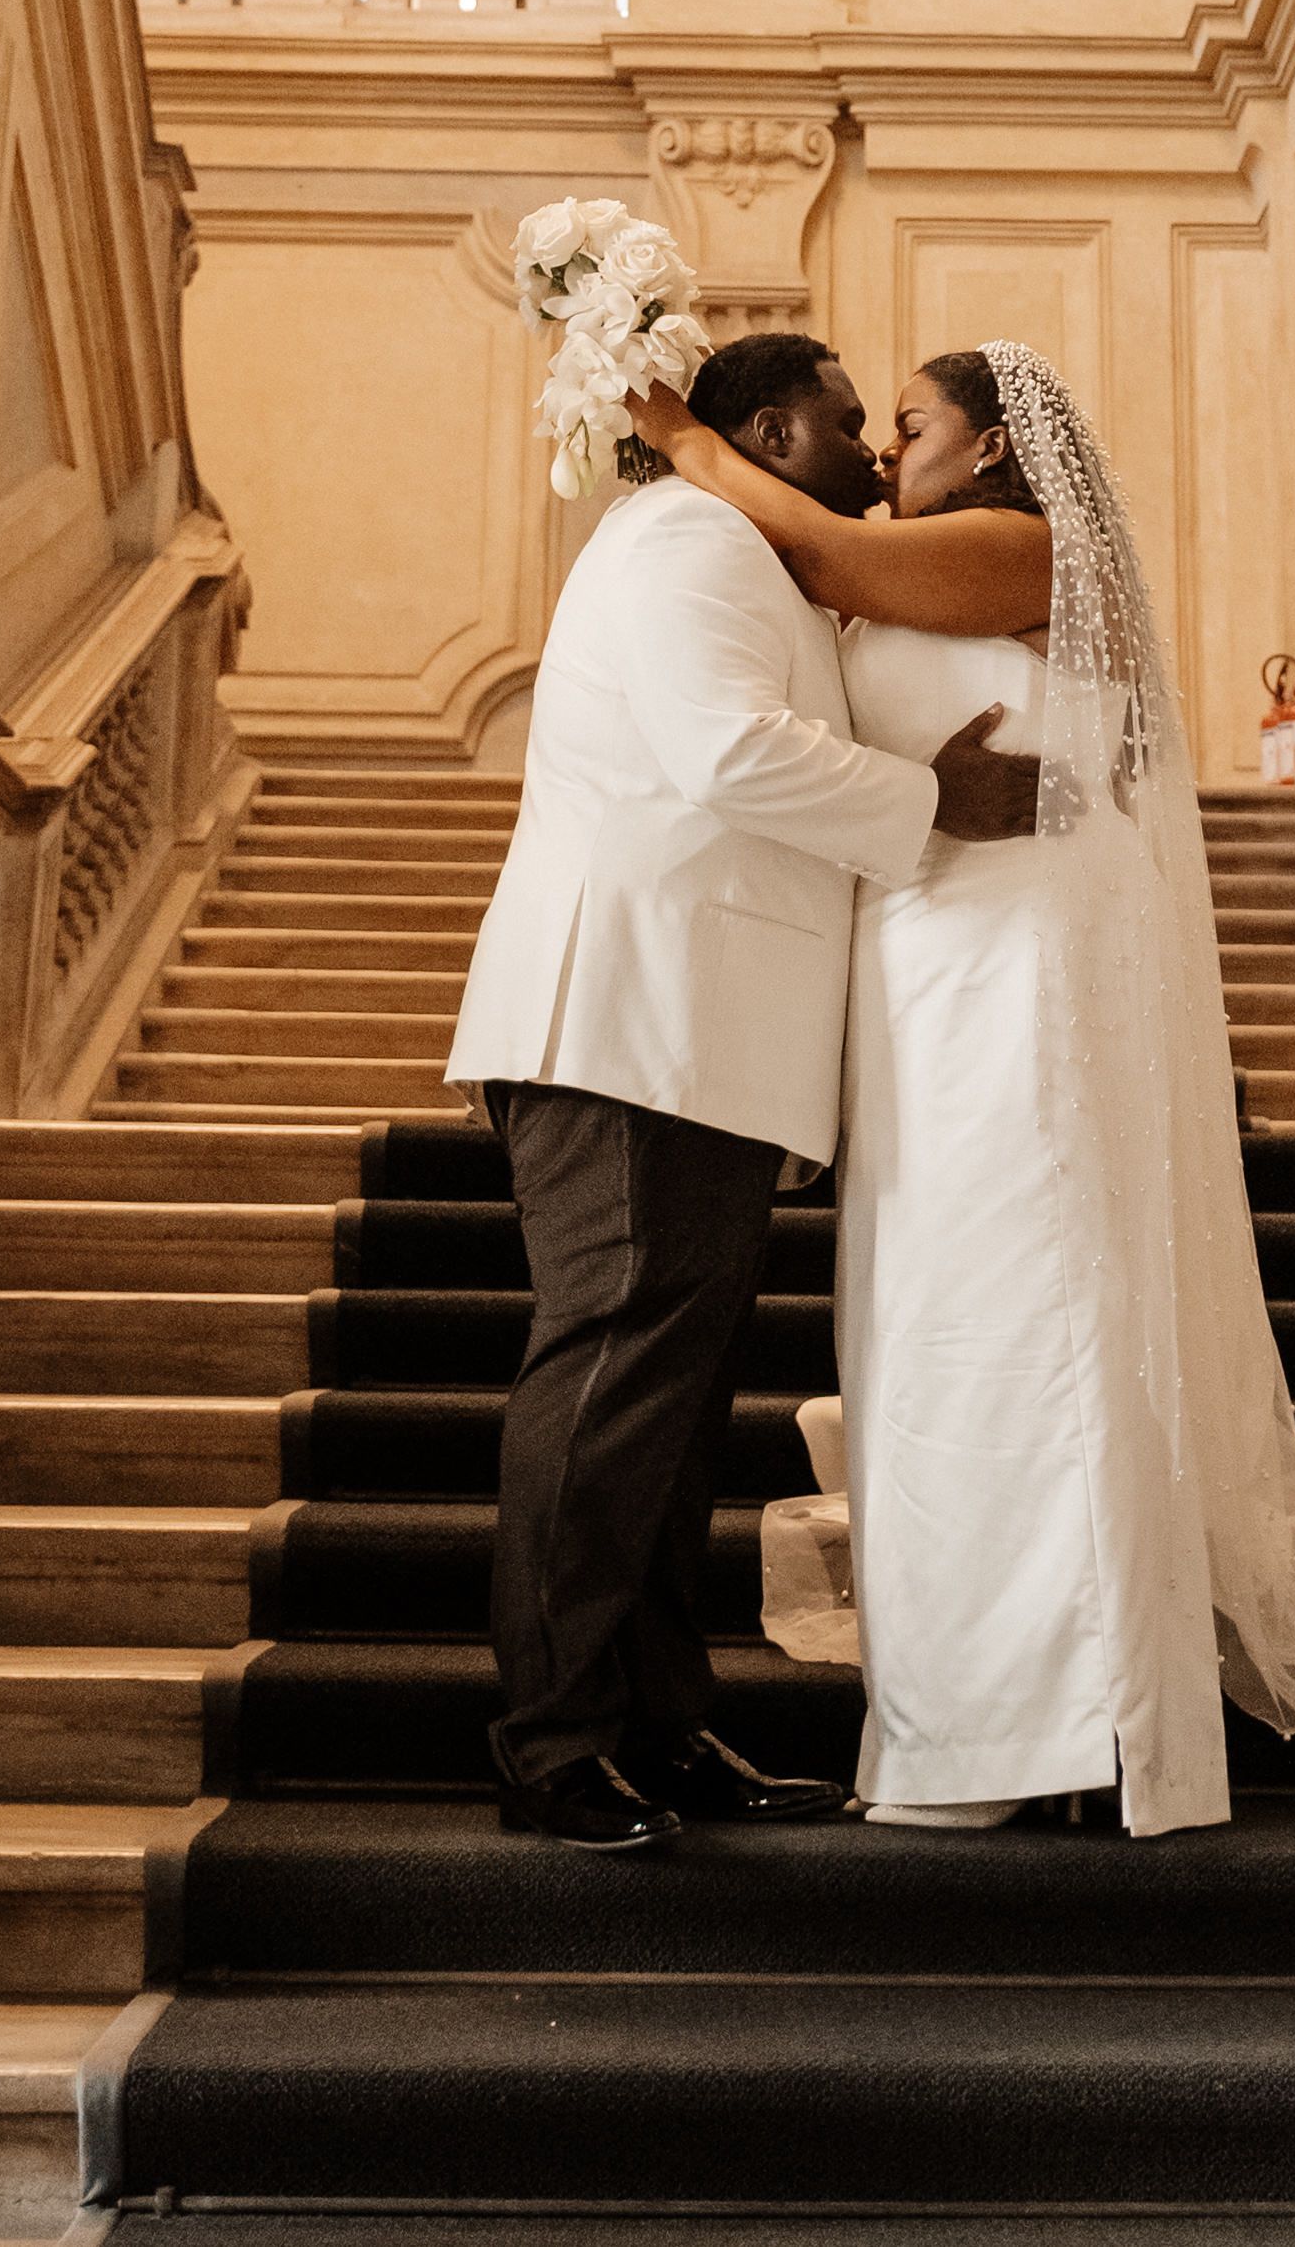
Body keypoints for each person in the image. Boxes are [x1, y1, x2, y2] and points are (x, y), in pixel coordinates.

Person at [629, 339, 1295, 1837]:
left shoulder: (1019, 549)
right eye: (878, 427)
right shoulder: (919, 560)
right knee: (923, 1331)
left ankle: (1077, 1715)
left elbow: (815, 540)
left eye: (911, 425)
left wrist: (667, 425)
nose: (888, 452)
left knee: (1022, 1316)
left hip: (1009, 977)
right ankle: (964, 1713)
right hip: (916, 976)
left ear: (999, 444)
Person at [446, 329, 1041, 1851]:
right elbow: (727, 750)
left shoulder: (747, 548)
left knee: (675, 1407)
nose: (865, 457)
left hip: (698, 1040)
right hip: (630, 1022)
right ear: (770, 432)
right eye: (848, 426)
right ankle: (552, 1742)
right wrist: (934, 800)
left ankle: (662, 1723)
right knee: (610, 1378)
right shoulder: (689, 539)